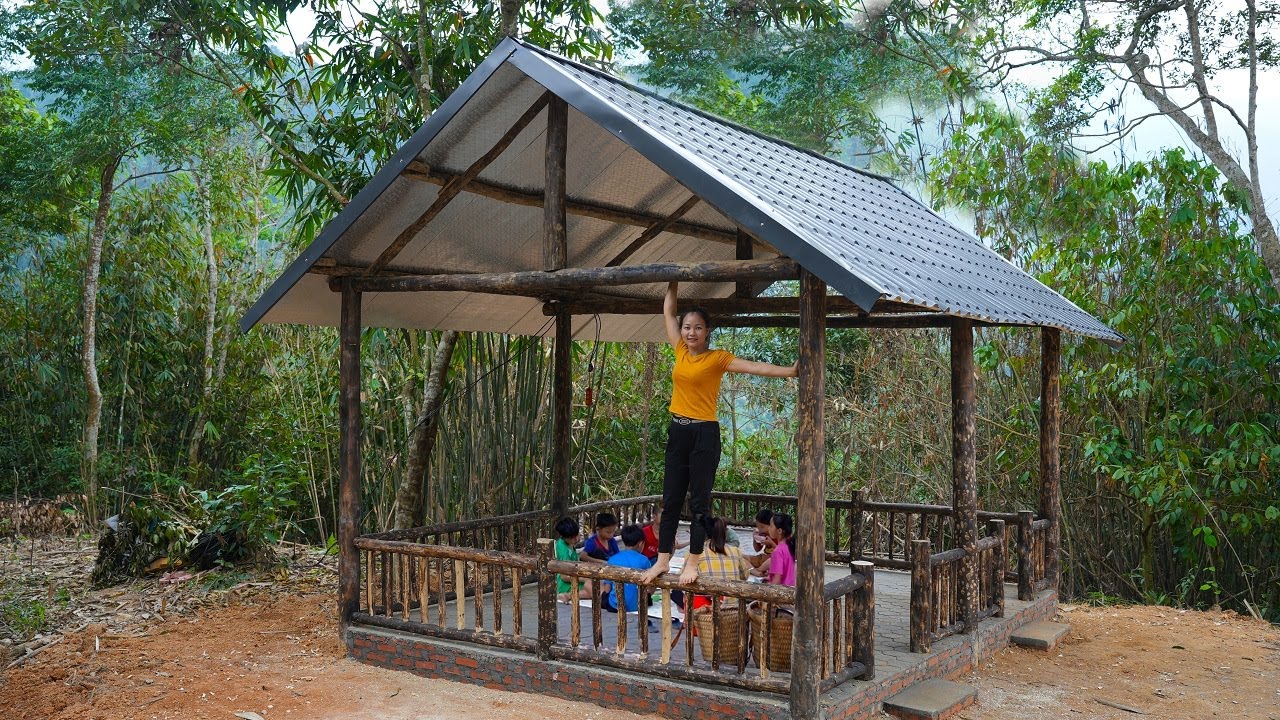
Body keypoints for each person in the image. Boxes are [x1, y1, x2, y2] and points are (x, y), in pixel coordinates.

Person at [641, 282, 798, 586]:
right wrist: (673, 281)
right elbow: (668, 312)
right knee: (671, 500)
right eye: (687, 327)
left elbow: (754, 367)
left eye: (697, 328)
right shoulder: (680, 351)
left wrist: (789, 372)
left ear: (707, 331)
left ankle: (693, 561)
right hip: (678, 430)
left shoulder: (718, 358)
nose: (690, 332)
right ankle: (662, 560)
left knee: (700, 503)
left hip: (704, 434)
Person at [692, 517, 748, 611]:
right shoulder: (735, 551)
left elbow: (683, 577)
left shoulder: (695, 554)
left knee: (678, 592)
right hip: (734, 610)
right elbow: (745, 576)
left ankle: (687, 619)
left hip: (707, 610)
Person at [602, 524, 652, 613]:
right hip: (638, 605)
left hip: (615, 606)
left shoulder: (612, 559)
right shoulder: (644, 560)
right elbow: (649, 587)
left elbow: (607, 587)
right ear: (640, 543)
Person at [553, 517, 598, 602]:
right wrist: (584, 578)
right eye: (572, 538)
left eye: (577, 535)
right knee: (595, 589)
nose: (576, 539)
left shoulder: (567, 543)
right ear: (564, 536)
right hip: (564, 584)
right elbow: (564, 577)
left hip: (574, 576)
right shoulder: (563, 551)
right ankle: (567, 595)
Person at [765, 512, 797, 587]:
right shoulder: (789, 546)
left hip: (781, 592)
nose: (768, 528)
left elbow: (777, 580)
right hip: (791, 588)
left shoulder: (777, 551)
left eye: (771, 526)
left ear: (779, 531)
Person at [747, 507, 776, 575]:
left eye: (762, 527)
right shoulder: (763, 534)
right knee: (740, 557)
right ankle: (755, 570)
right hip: (762, 558)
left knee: (771, 561)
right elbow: (757, 549)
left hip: (772, 560)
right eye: (758, 527)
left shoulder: (777, 535)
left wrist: (771, 543)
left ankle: (759, 570)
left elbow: (783, 552)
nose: (760, 529)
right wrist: (755, 539)